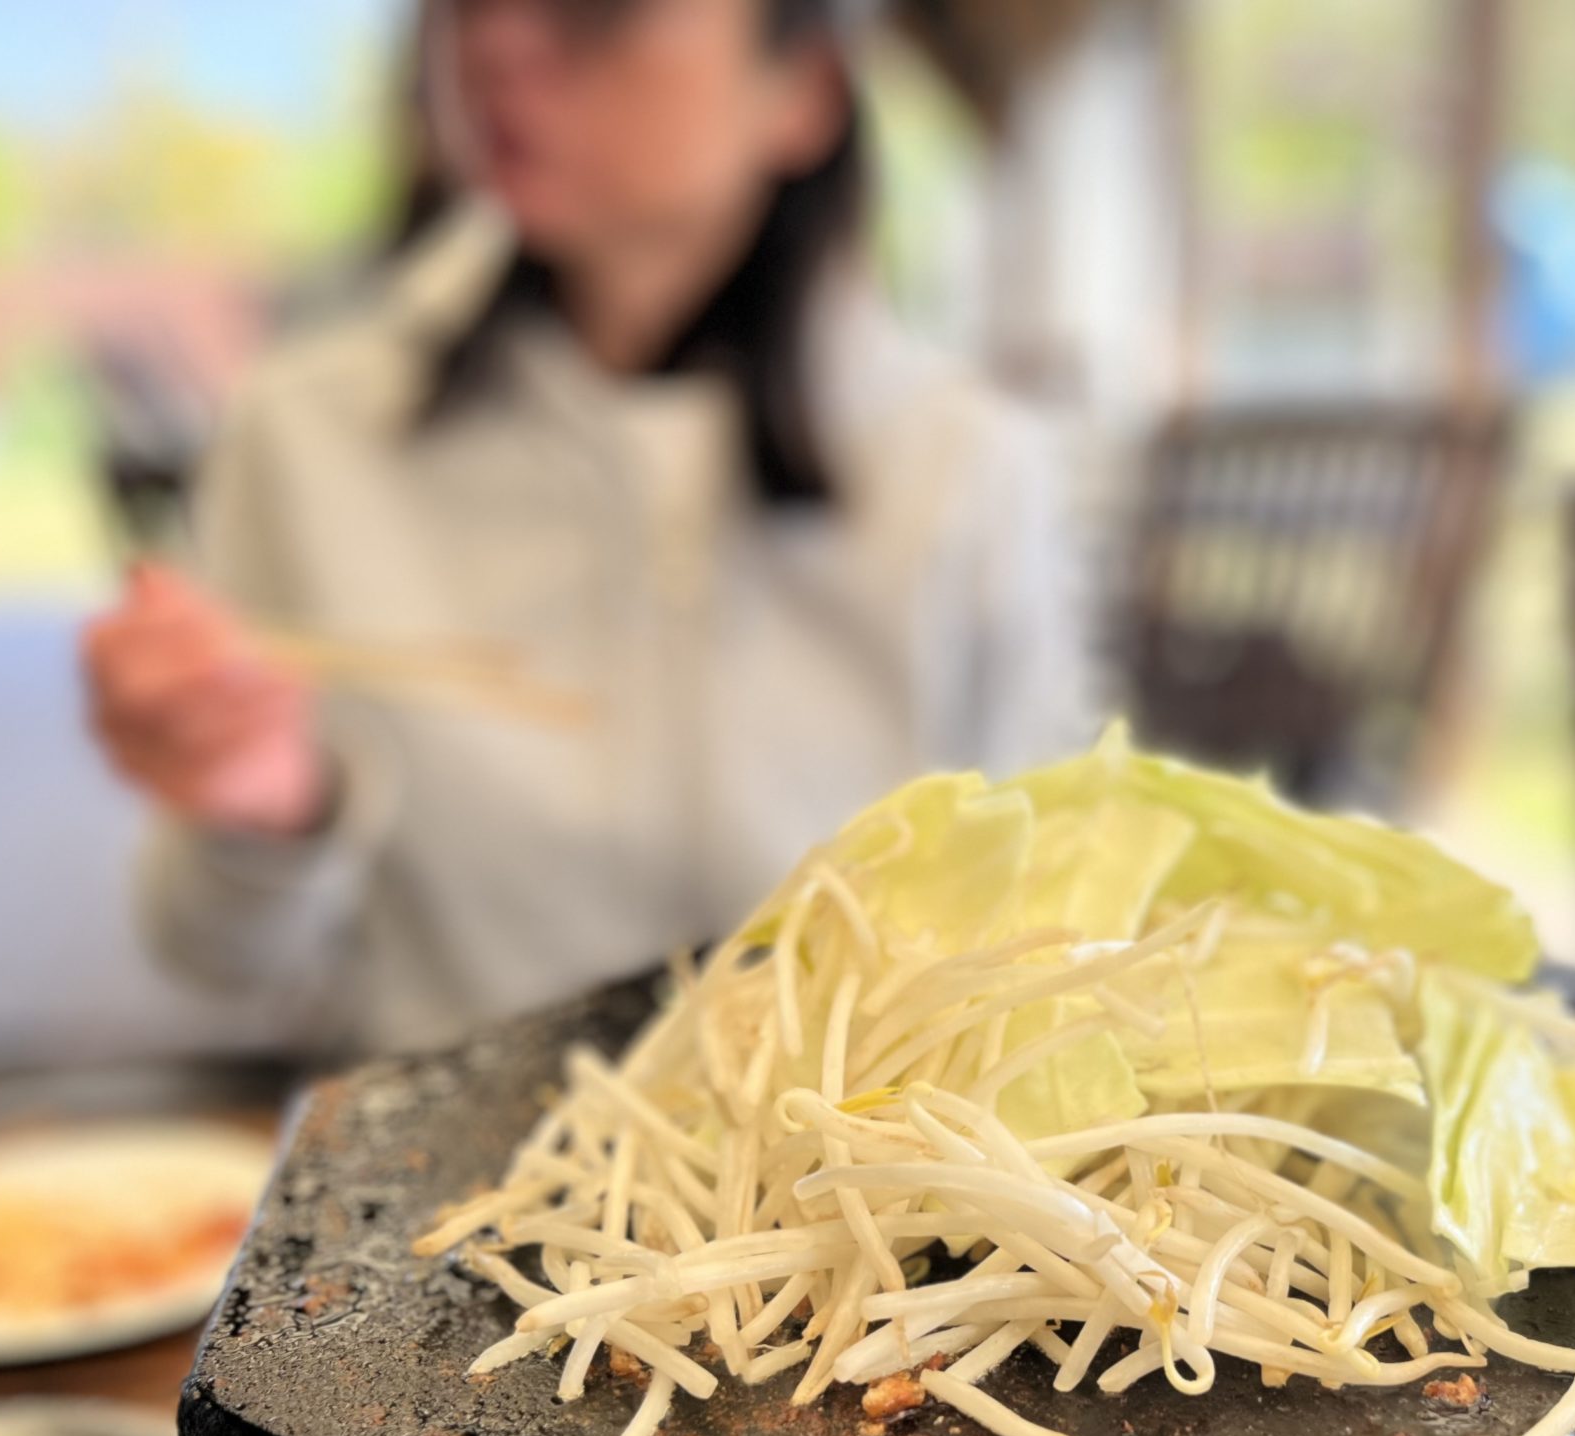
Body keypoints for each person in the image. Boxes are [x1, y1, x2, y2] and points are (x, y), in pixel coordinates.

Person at [82, 0, 1089, 1055]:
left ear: (804, 91)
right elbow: (219, 964)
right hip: (450, 1143)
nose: (497, 43)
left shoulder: (964, 470)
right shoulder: (309, 437)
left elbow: (1050, 929)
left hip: (855, 1146)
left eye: (599, 9)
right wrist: (267, 813)